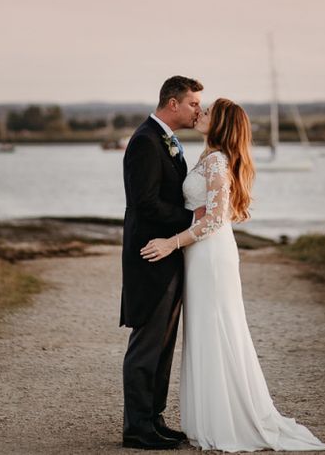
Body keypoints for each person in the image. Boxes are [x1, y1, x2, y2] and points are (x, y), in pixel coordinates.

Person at [141, 98, 325, 452]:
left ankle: (229, 419)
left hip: (211, 255)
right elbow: (202, 210)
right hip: (201, 253)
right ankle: (212, 415)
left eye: (208, 112)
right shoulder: (208, 156)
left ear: (221, 125)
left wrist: (171, 243)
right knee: (206, 329)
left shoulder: (216, 160)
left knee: (218, 329)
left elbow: (215, 219)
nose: (200, 113)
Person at [120, 75, 206, 450]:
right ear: (173, 103)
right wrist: (192, 222)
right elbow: (146, 204)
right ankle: (136, 428)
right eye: (192, 104)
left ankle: (154, 419)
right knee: (146, 345)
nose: (197, 110)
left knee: (164, 345)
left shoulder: (165, 141)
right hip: (150, 257)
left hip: (168, 255)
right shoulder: (144, 142)